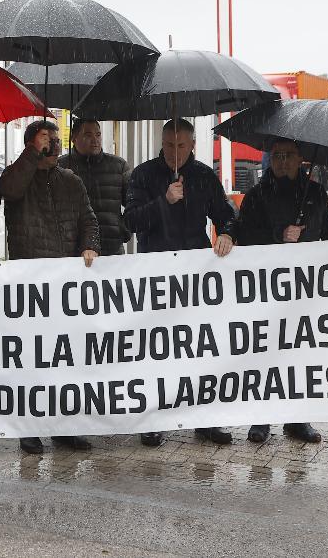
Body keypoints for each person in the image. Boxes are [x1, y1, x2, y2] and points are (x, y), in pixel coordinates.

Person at [234, 138, 328, 445]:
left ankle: (296, 419)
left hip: (304, 292)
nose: (282, 161)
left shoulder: (315, 194)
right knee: (265, 354)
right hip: (266, 291)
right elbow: (242, 234)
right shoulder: (256, 196)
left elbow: (327, 228)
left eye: (288, 156)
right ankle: (260, 418)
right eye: (276, 156)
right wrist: (279, 235)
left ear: (301, 158)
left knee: (298, 356)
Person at [125, 118, 239, 448]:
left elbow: (226, 214)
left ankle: (204, 420)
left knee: (198, 351)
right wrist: (164, 201)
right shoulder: (143, 175)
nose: (174, 152)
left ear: (193, 146)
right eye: (169, 145)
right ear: (161, 143)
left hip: (195, 278)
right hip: (156, 274)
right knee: (156, 351)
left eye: (181, 146)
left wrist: (229, 233)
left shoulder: (204, 175)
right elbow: (130, 221)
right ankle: (153, 419)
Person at [1, 119, 101, 455]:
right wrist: (32, 155)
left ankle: (63, 427)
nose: (55, 145)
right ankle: (28, 429)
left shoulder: (71, 180)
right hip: (31, 286)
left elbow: (89, 219)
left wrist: (90, 244)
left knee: (64, 361)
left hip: (65, 287)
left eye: (57, 140)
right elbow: (10, 190)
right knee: (31, 362)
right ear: (32, 144)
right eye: (48, 140)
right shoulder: (18, 177)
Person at [59, 118, 131, 256]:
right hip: (73, 252)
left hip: (111, 249)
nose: (95, 140)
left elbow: (133, 203)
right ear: (74, 138)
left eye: (98, 135)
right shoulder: (61, 167)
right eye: (88, 135)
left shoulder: (118, 165)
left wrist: (122, 229)